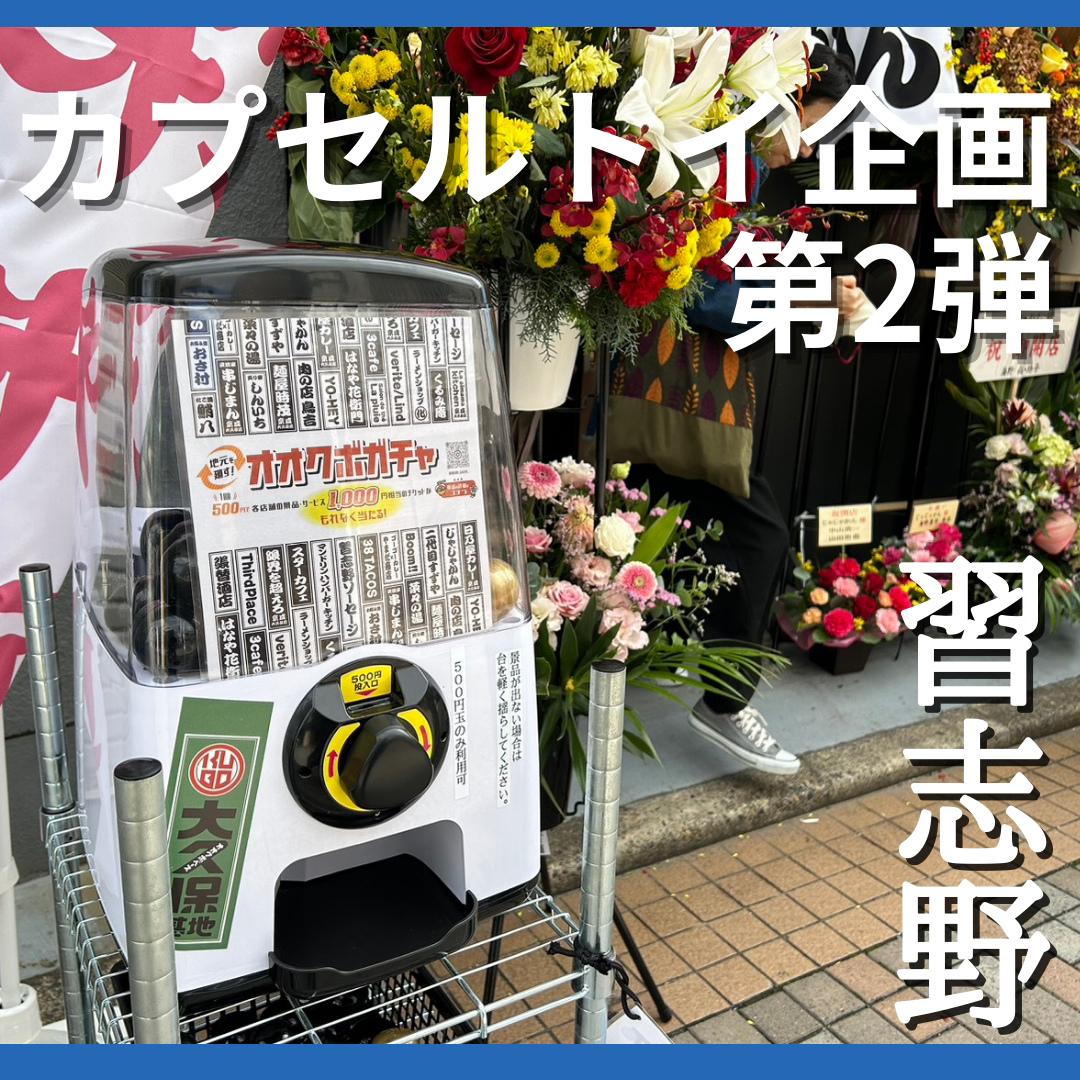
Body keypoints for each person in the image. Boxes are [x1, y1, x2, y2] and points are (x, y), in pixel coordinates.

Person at [635, 44, 864, 776]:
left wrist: (813, 294)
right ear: (786, 99)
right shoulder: (721, 151)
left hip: (668, 395)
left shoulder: (748, 163)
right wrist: (806, 297)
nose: (811, 146)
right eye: (814, 125)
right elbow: (695, 289)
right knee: (757, 533)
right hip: (661, 389)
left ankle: (694, 690)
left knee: (648, 528)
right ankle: (722, 703)